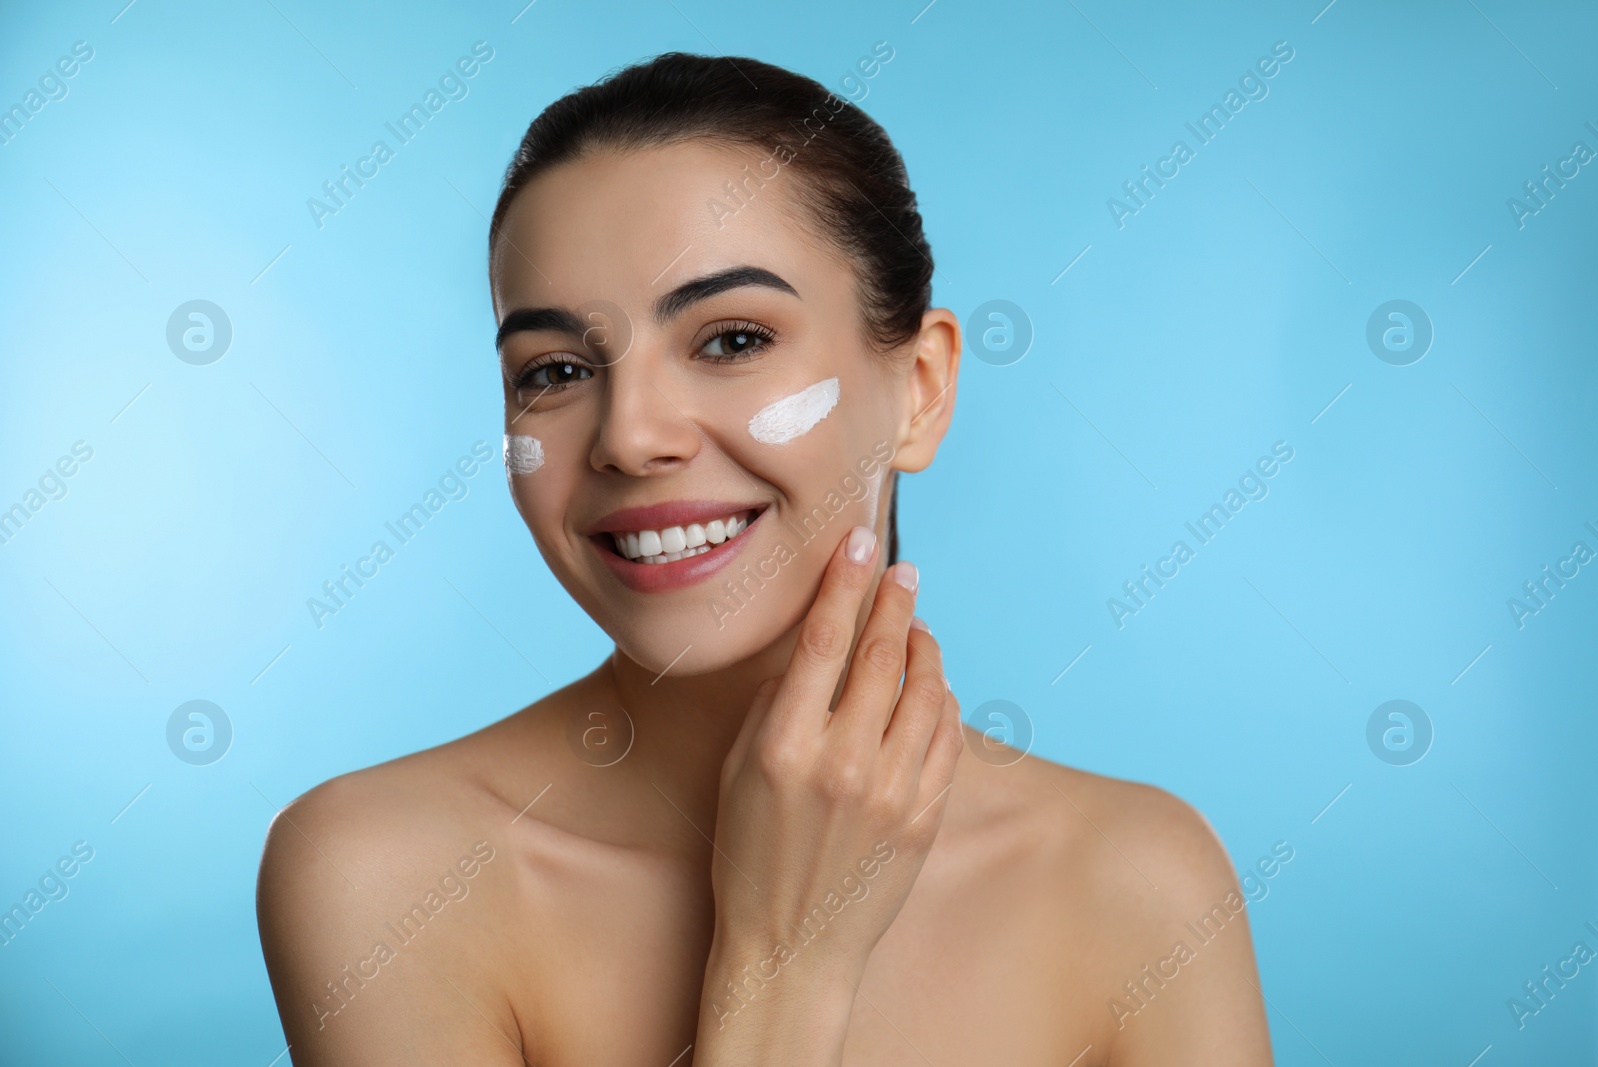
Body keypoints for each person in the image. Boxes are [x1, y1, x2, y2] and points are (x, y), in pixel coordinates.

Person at [256, 51, 1274, 1065]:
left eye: (732, 339)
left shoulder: (1137, 882)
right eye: (556, 369)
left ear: (920, 387)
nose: (631, 436)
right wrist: (788, 960)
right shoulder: (382, 873)